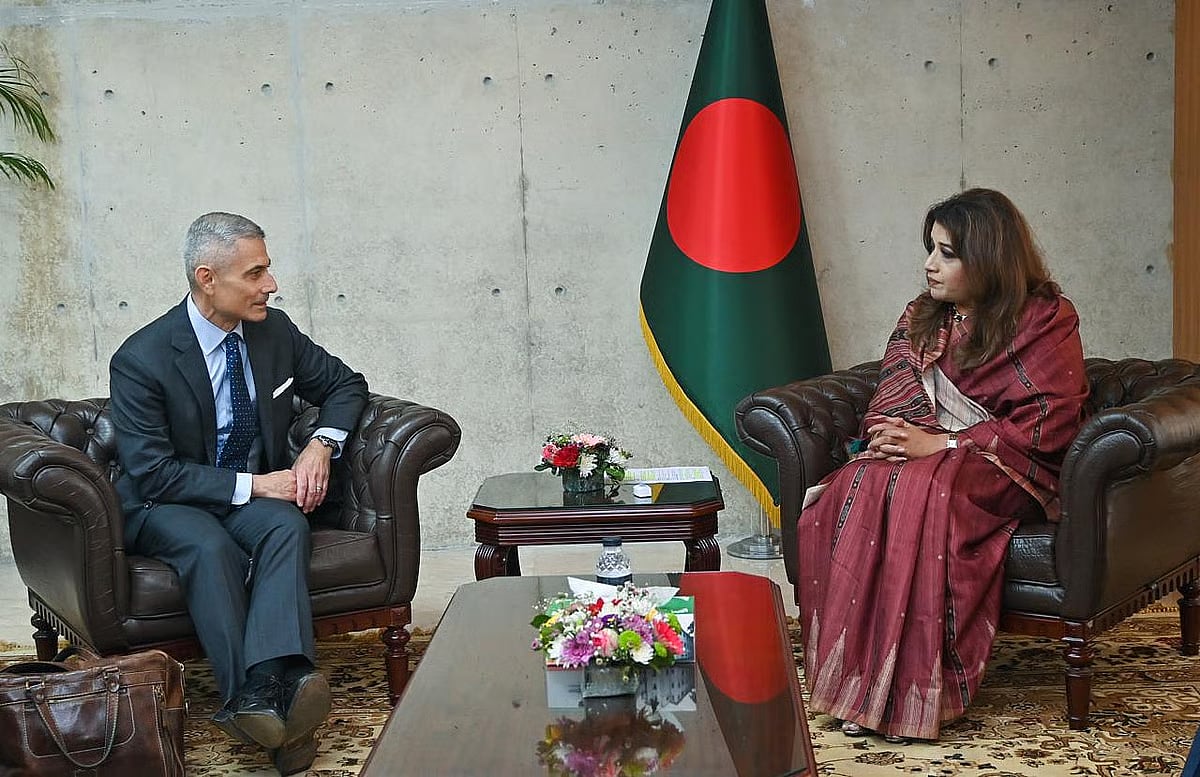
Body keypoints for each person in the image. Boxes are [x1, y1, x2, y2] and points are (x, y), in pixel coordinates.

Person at [796, 188, 1088, 742]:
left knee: (924, 486)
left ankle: (913, 696)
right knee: (860, 480)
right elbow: (892, 395)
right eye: (930, 248)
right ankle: (862, 690)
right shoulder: (924, 316)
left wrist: (945, 446)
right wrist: (891, 438)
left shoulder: (1045, 317)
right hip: (931, 453)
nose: (930, 264)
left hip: (1013, 466)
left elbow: (1049, 423)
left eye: (948, 253)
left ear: (988, 257)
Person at [109, 212, 368, 773]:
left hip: (251, 499)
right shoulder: (142, 358)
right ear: (207, 278)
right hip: (166, 503)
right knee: (208, 545)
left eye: (267, 270)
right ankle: (268, 708)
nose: (270, 285)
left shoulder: (274, 331)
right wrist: (258, 483)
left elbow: (346, 385)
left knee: (285, 524)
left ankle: (264, 691)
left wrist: (321, 444)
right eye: (255, 274)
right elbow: (152, 472)